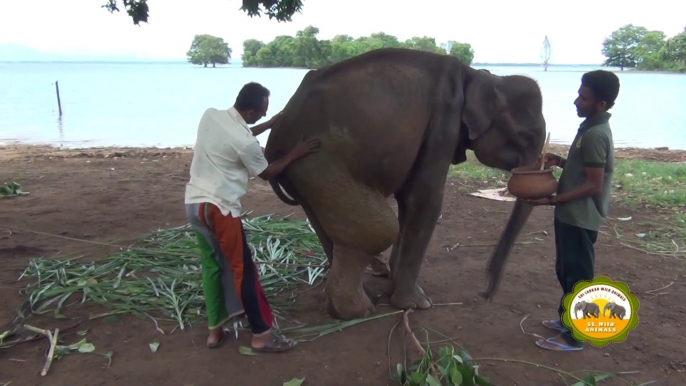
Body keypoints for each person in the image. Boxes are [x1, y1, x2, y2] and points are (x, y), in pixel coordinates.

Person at [184, 82, 320, 351]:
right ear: (249, 110)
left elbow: (238, 134)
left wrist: (268, 125)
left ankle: (214, 332)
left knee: (212, 268)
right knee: (243, 270)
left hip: (193, 205)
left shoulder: (210, 115)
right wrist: (296, 153)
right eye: (260, 113)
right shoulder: (246, 143)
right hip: (220, 209)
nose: (260, 116)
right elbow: (268, 172)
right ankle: (261, 335)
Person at [523, 70, 620, 352]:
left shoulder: (595, 135)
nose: (576, 101)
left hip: (580, 217)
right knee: (566, 270)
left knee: (577, 275)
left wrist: (553, 200)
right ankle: (568, 320)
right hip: (571, 215)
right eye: (579, 94)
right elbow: (587, 169)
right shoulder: (589, 128)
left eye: (584, 97)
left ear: (600, 104)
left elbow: (593, 185)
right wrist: (563, 161)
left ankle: (575, 336)